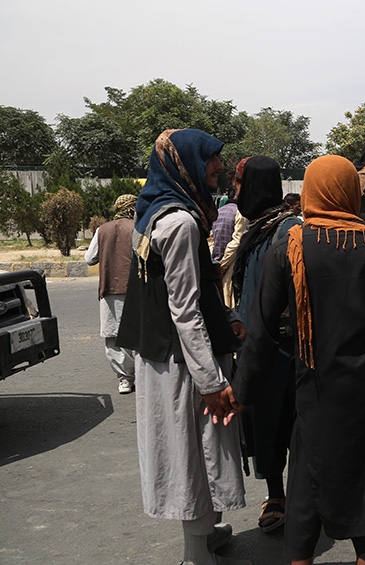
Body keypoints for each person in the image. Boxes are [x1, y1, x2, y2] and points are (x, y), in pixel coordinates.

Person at [232, 155, 365, 565]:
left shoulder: (289, 248)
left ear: (312, 191)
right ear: (353, 191)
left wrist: (241, 393)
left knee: (307, 484)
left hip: (316, 391)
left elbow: (259, 333)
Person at [117, 129, 247, 565]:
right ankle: (196, 552)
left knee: (193, 448)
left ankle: (206, 533)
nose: (219, 168)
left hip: (168, 356)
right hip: (184, 364)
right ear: (185, 163)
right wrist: (210, 380)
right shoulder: (180, 222)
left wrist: (228, 318)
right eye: (210, 160)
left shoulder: (158, 210)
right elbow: (185, 310)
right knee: (195, 451)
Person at [230, 156, 302, 533]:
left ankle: (302, 498)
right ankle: (276, 494)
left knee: (294, 425)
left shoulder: (288, 229)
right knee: (267, 426)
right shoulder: (256, 229)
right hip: (258, 348)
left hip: (288, 349)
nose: (235, 192)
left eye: (239, 185)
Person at [84, 194, 138, 394]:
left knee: (113, 336)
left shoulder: (101, 230)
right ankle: (143, 374)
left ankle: (125, 378)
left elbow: (90, 259)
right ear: (133, 209)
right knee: (139, 333)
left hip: (110, 291)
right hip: (136, 289)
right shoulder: (137, 227)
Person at [211, 158, 248, 263]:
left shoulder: (218, 212)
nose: (236, 196)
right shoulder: (240, 212)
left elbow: (211, 240)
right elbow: (236, 243)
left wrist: (216, 263)